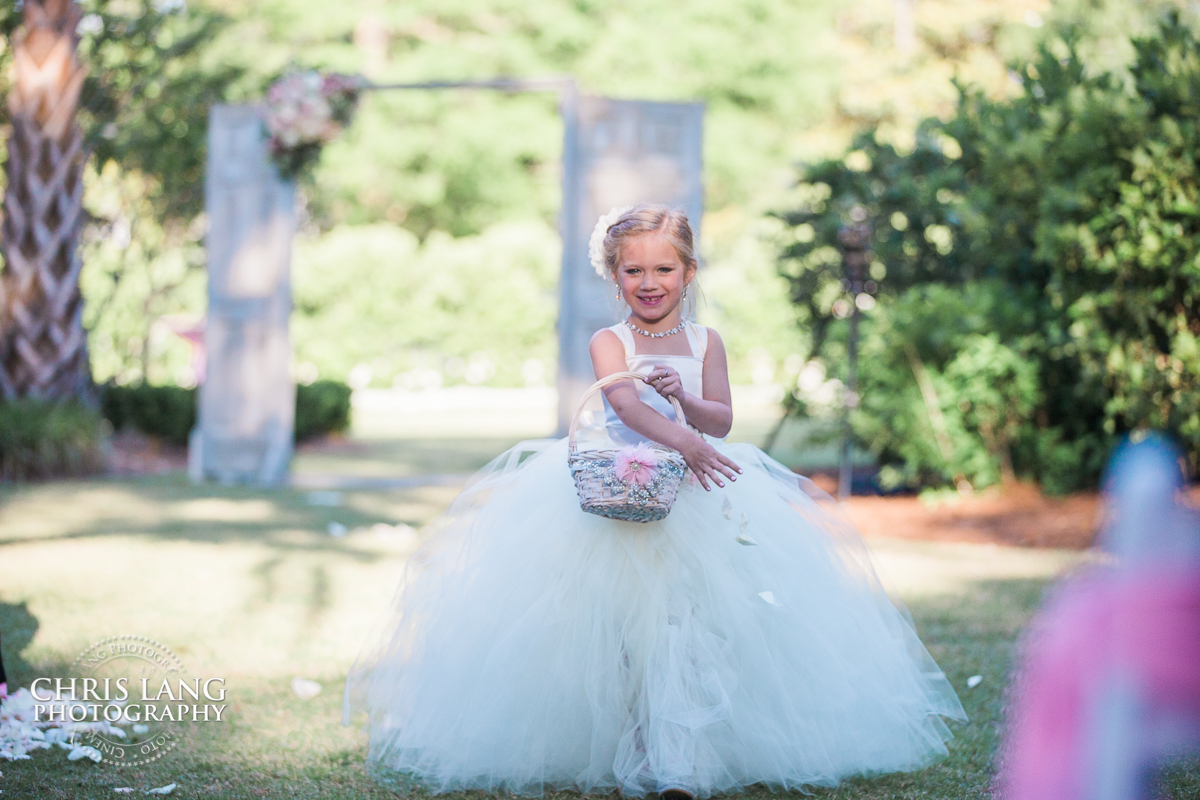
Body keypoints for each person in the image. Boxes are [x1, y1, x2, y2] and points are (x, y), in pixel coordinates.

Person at [343, 204, 967, 798]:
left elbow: (719, 420)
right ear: (615, 276)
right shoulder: (609, 342)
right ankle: (633, 744)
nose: (649, 282)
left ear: (689, 273)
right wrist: (684, 440)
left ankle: (681, 759)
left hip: (698, 504)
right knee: (622, 635)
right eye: (634, 270)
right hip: (619, 498)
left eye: (664, 269)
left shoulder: (705, 342)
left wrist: (690, 409)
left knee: (691, 628)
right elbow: (625, 407)